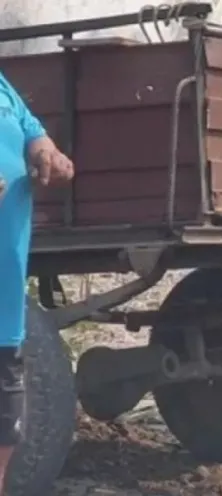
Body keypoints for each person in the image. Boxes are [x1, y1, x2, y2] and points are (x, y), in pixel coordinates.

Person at [0, 70, 73, 490]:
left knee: (4, 424)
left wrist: (48, 156)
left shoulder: (3, 86)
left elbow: (34, 134)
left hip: (5, 296)